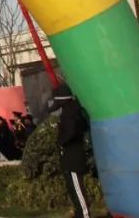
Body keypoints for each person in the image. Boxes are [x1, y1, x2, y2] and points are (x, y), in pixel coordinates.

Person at [54, 84, 91, 218]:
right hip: (72, 155)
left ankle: (84, 214)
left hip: (72, 157)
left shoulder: (69, 114)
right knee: (74, 189)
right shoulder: (75, 111)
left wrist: (60, 141)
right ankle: (79, 213)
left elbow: (70, 132)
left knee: (77, 189)